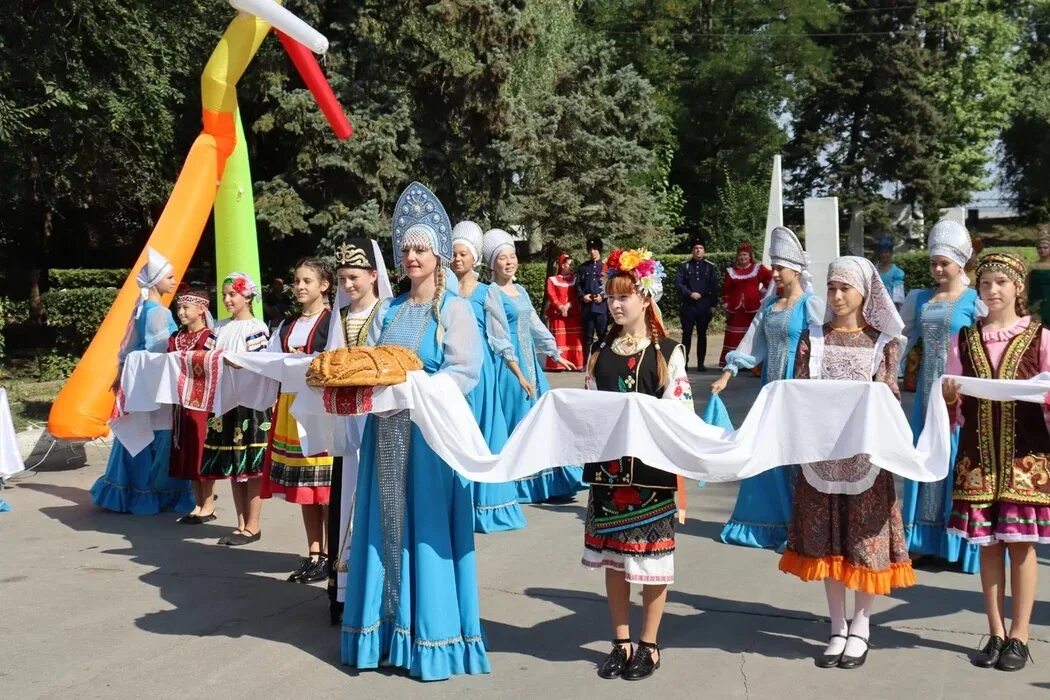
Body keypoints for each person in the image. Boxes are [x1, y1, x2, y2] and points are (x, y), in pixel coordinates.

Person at [341, 181, 490, 681]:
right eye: (405, 248)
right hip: (385, 435)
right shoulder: (388, 310)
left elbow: (465, 372)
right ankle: (383, 634)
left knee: (424, 532)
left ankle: (430, 639)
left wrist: (417, 390)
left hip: (430, 438)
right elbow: (374, 364)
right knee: (384, 529)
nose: (411, 256)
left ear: (440, 254)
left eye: (421, 248)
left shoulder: (454, 310)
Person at [780, 256, 915, 670]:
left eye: (845, 289)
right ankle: (836, 625)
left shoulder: (883, 342)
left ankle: (861, 625)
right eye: (832, 288)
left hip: (866, 459)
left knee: (863, 541)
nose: (837, 297)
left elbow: (890, 398)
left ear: (864, 292)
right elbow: (800, 392)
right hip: (821, 456)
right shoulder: (814, 338)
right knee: (828, 541)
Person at [583, 247, 690, 681]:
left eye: (625, 296)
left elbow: (680, 411)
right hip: (608, 476)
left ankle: (650, 644)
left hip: (651, 476)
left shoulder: (667, 350)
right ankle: (621, 642)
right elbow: (586, 408)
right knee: (613, 562)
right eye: (611, 296)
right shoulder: (600, 349)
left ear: (647, 298)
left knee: (649, 563)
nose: (616, 303)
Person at [943, 251, 1048, 672]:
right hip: (979, 456)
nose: (993, 291)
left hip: (1026, 457)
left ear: (1018, 287)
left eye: (1001, 283)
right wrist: (949, 398)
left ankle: (1020, 635)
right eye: (985, 284)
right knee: (988, 545)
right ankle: (995, 631)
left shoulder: (1040, 337)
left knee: (1021, 547)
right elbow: (952, 402)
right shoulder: (965, 339)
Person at [711, 227, 823, 550]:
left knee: (792, 458)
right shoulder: (769, 306)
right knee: (766, 455)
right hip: (769, 389)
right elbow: (752, 342)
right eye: (773, 266)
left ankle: (798, 528)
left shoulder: (810, 306)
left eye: (779, 268)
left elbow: (824, 347)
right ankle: (764, 524)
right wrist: (728, 372)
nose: (774, 273)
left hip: (797, 393)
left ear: (797, 269)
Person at [899, 220, 983, 572]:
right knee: (925, 457)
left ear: (960, 263)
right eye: (933, 262)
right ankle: (920, 540)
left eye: (943, 263)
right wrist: (890, 371)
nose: (937, 269)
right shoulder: (920, 299)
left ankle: (956, 543)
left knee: (955, 461)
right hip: (926, 396)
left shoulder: (975, 301)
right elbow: (900, 337)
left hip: (959, 394)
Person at [91, 247, 194, 515]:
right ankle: (156, 494)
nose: (174, 281)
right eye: (169, 277)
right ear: (156, 281)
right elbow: (158, 352)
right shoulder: (158, 312)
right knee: (159, 437)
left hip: (138, 386)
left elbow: (127, 350)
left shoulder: (140, 309)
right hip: (156, 387)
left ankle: (126, 491)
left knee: (137, 436)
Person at [484, 228, 581, 504]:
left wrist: (553, 350)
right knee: (520, 422)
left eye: (512, 256)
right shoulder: (491, 293)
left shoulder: (522, 290)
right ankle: (523, 485)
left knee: (543, 420)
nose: (509, 262)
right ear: (493, 263)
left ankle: (550, 483)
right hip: (510, 368)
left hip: (533, 367)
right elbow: (498, 334)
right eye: (502, 258)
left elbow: (535, 324)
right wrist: (515, 369)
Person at [327, 239, 392, 624]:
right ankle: (345, 591)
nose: (348, 285)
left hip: (375, 415)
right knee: (347, 491)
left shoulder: (385, 313)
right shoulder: (341, 316)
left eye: (354, 277)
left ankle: (375, 588)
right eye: (342, 278)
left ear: (373, 275)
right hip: (349, 420)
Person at [450, 221, 528, 534]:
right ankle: (457, 504)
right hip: (452, 368)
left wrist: (518, 372)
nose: (457, 260)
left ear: (475, 259)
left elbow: (499, 337)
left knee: (480, 434)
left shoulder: (486, 293)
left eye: (462, 254)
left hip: (481, 372)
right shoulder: (445, 291)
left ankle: (483, 508)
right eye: (453, 255)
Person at [261, 258, 333, 581]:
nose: (300, 286)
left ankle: (332, 555)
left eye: (307, 281)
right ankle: (314, 552)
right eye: (297, 280)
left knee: (325, 488)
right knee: (305, 487)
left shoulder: (333, 323)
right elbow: (268, 360)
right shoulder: (287, 325)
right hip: (291, 406)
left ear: (324, 286)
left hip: (320, 410)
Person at [202, 273, 272, 544]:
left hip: (250, 405)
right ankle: (240, 522)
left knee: (251, 465)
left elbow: (261, 364)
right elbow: (208, 358)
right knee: (233, 463)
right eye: (225, 295)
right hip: (224, 403)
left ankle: (253, 524)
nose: (228, 300)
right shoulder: (219, 328)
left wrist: (234, 361)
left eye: (233, 294)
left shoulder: (256, 328)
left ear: (247, 296)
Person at [166, 289, 218, 523]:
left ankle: (207, 504)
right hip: (181, 403)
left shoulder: (208, 337)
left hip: (202, 402)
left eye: (186, 307)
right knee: (187, 450)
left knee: (201, 450)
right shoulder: (175, 338)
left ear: (201, 310)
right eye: (179, 307)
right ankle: (198, 503)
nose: (181, 312)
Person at [720, 242, 772, 367]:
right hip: (736, 310)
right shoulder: (732, 271)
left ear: (750, 256)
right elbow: (726, 290)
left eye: (745, 255)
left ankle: (751, 363)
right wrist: (726, 304)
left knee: (752, 335)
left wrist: (762, 294)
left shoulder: (758, 268)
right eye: (740, 255)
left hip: (752, 308)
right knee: (734, 336)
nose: (743, 257)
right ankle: (734, 362)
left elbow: (770, 281)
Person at [674, 237, 720, 371]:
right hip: (689, 306)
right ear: (692, 251)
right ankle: (684, 363)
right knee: (686, 335)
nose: (698, 250)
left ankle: (701, 363)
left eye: (700, 248)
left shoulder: (709, 267)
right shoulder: (684, 266)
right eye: (695, 248)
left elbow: (714, 286)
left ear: (704, 251)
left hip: (704, 306)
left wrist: (713, 305)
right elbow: (678, 283)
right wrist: (690, 293)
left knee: (702, 335)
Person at [545, 253, 585, 370]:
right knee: (560, 338)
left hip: (572, 312)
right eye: (569, 264)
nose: (571, 267)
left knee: (573, 338)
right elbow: (551, 294)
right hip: (558, 313)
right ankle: (558, 364)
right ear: (562, 265)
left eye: (572, 265)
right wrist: (560, 307)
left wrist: (568, 305)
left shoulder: (574, 279)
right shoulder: (552, 280)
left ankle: (574, 362)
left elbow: (576, 294)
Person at [576, 238, 608, 364]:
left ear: (599, 250)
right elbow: (577, 285)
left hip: (601, 307)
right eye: (590, 250)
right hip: (587, 307)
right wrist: (582, 296)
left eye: (595, 249)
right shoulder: (584, 267)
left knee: (602, 335)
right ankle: (587, 362)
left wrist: (603, 296)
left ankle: (603, 361)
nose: (593, 252)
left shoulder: (605, 267)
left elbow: (610, 285)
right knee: (587, 337)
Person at [875, 234, 906, 308]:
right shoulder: (874, 269)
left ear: (891, 253)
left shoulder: (897, 273)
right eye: (881, 252)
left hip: (891, 309)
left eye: (886, 252)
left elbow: (899, 298)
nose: (883, 255)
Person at [1027, 229, 1050, 320]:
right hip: (1037, 302)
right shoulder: (1033, 266)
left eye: (1045, 248)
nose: (1042, 250)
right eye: (1039, 248)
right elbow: (1027, 285)